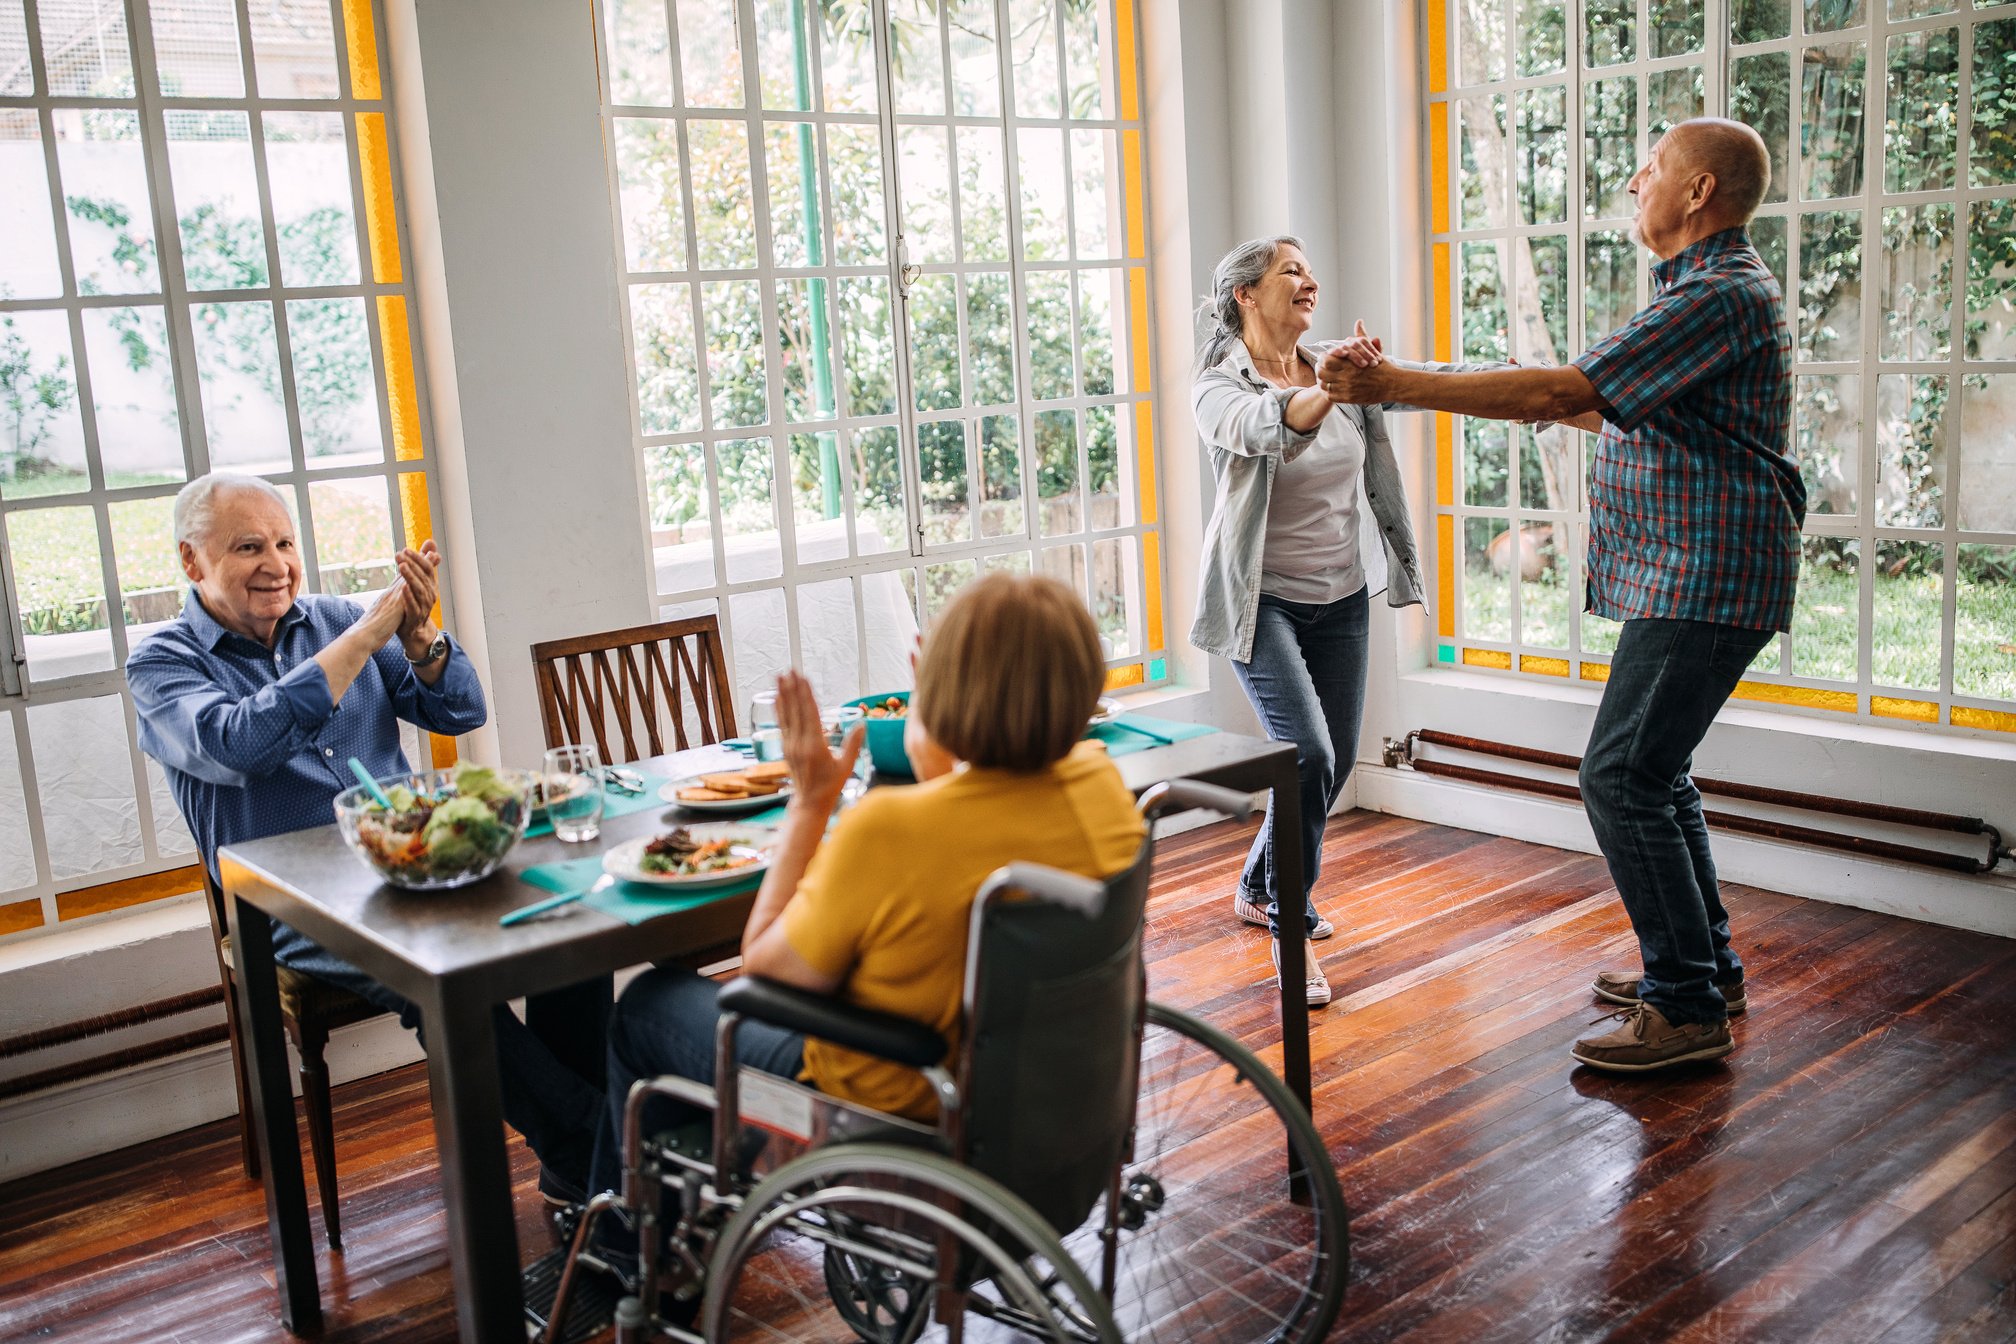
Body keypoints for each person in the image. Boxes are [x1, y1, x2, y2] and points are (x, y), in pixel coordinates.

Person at [1318, 118, 1803, 1072]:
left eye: (1653, 167)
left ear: (1698, 191)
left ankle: (1687, 1006)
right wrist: (1403, 384)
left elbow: (1556, 395)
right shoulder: (1698, 294)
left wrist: (1394, 382)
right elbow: (1586, 400)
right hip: (1691, 567)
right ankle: (1705, 969)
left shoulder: (1720, 294)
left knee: (1620, 777)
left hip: (1709, 570)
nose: (1634, 181)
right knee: (1654, 775)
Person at [587, 573, 1147, 1198]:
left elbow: (763, 967)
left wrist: (810, 803)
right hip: (1046, 1107)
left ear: (941, 693)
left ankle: (629, 1253)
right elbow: (971, 802)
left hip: (896, 1118)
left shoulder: (891, 830)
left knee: (646, 1005)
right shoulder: (1102, 788)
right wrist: (941, 731)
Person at [128, 471, 604, 1198]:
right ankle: (602, 1154)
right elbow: (237, 746)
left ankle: (583, 1176)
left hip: (414, 865)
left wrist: (420, 638)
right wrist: (363, 637)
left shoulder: (336, 618)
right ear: (192, 562)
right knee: (439, 978)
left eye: (285, 542)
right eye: (248, 546)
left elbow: (460, 711)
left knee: (569, 919)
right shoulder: (164, 664)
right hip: (289, 905)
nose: (277, 564)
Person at [1192, 235, 1488, 1007]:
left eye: (1309, 268)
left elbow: (1419, 385)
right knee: (1311, 760)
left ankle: (1259, 884)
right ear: (1246, 297)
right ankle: (1291, 924)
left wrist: (1520, 383)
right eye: (1291, 270)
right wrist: (1333, 386)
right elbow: (1269, 426)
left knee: (1333, 761)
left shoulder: (1336, 367)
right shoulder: (1216, 389)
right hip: (1261, 603)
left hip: (1342, 598)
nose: (1310, 280)